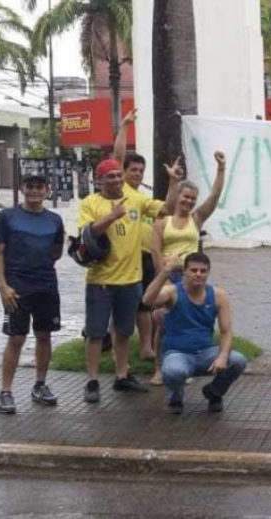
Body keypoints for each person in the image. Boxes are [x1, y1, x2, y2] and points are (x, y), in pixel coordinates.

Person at [77, 157, 179, 403]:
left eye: (116, 175)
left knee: (123, 331)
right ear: (98, 180)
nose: (114, 180)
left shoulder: (136, 198)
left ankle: (122, 375)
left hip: (131, 280)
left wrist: (174, 181)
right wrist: (112, 216)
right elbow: (87, 233)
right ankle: (92, 380)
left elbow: (168, 209)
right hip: (100, 280)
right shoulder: (90, 202)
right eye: (108, 176)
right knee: (95, 333)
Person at [148, 151, 227, 385]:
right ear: (178, 196)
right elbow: (155, 252)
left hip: (192, 276)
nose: (189, 201)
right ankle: (160, 368)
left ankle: (187, 363)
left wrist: (221, 168)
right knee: (162, 321)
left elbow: (215, 195)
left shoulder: (197, 219)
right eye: (185, 197)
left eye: (192, 198)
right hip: (169, 275)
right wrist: (162, 277)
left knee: (192, 321)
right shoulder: (162, 222)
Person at [0, 170, 65, 414]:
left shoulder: (54, 220)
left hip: (46, 286)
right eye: (30, 186)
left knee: (44, 335)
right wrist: (3, 286)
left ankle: (40, 385)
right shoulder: (7, 217)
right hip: (17, 289)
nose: (34, 190)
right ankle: (5, 391)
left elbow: (56, 252)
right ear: (22, 189)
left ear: (47, 191)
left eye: (39, 186)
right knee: (16, 338)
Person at [141, 253, 247, 414]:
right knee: (173, 371)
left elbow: (226, 331)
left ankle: (214, 392)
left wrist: (223, 357)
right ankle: (175, 397)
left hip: (206, 353)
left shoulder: (219, 295)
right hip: (177, 353)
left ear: (208, 273)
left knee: (238, 360)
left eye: (203, 271)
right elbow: (147, 300)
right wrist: (165, 272)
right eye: (194, 270)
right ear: (185, 272)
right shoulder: (172, 292)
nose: (198, 274)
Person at [113, 109, 159, 361]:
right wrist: (125, 127)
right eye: (134, 170)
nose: (138, 174)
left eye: (141, 170)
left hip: (146, 256)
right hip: (124, 257)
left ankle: (146, 347)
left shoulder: (143, 197)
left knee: (146, 303)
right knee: (120, 307)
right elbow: (117, 157)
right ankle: (118, 352)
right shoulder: (118, 189)